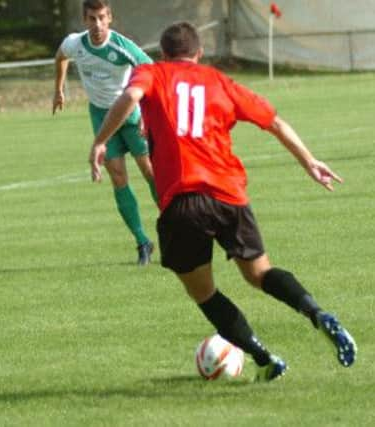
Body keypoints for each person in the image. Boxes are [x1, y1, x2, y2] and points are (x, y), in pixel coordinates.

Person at [89, 22, 357, 380]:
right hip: (229, 195)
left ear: (164, 55)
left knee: (204, 292)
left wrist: (100, 141)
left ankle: (264, 358)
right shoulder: (219, 81)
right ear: (198, 54)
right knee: (260, 273)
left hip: (183, 201)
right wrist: (309, 161)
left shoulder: (150, 72)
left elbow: (131, 97)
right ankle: (317, 313)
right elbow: (274, 122)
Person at [53, 0, 157, 265]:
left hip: (131, 116)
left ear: (110, 17)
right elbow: (60, 57)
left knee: (150, 173)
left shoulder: (123, 47)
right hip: (100, 117)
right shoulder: (75, 43)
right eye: (91, 18)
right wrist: (59, 89)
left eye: (101, 17)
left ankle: (176, 230)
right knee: (119, 178)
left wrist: (148, 113)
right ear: (84, 20)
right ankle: (142, 242)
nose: (97, 24)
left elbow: (153, 74)